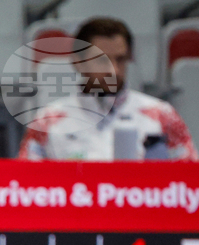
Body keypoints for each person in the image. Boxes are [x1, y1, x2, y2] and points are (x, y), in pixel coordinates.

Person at [18, 17, 198, 161]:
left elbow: (189, 183)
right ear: (77, 62)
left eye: (120, 59)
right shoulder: (48, 121)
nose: (114, 70)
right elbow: (29, 187)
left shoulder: (162, 115)